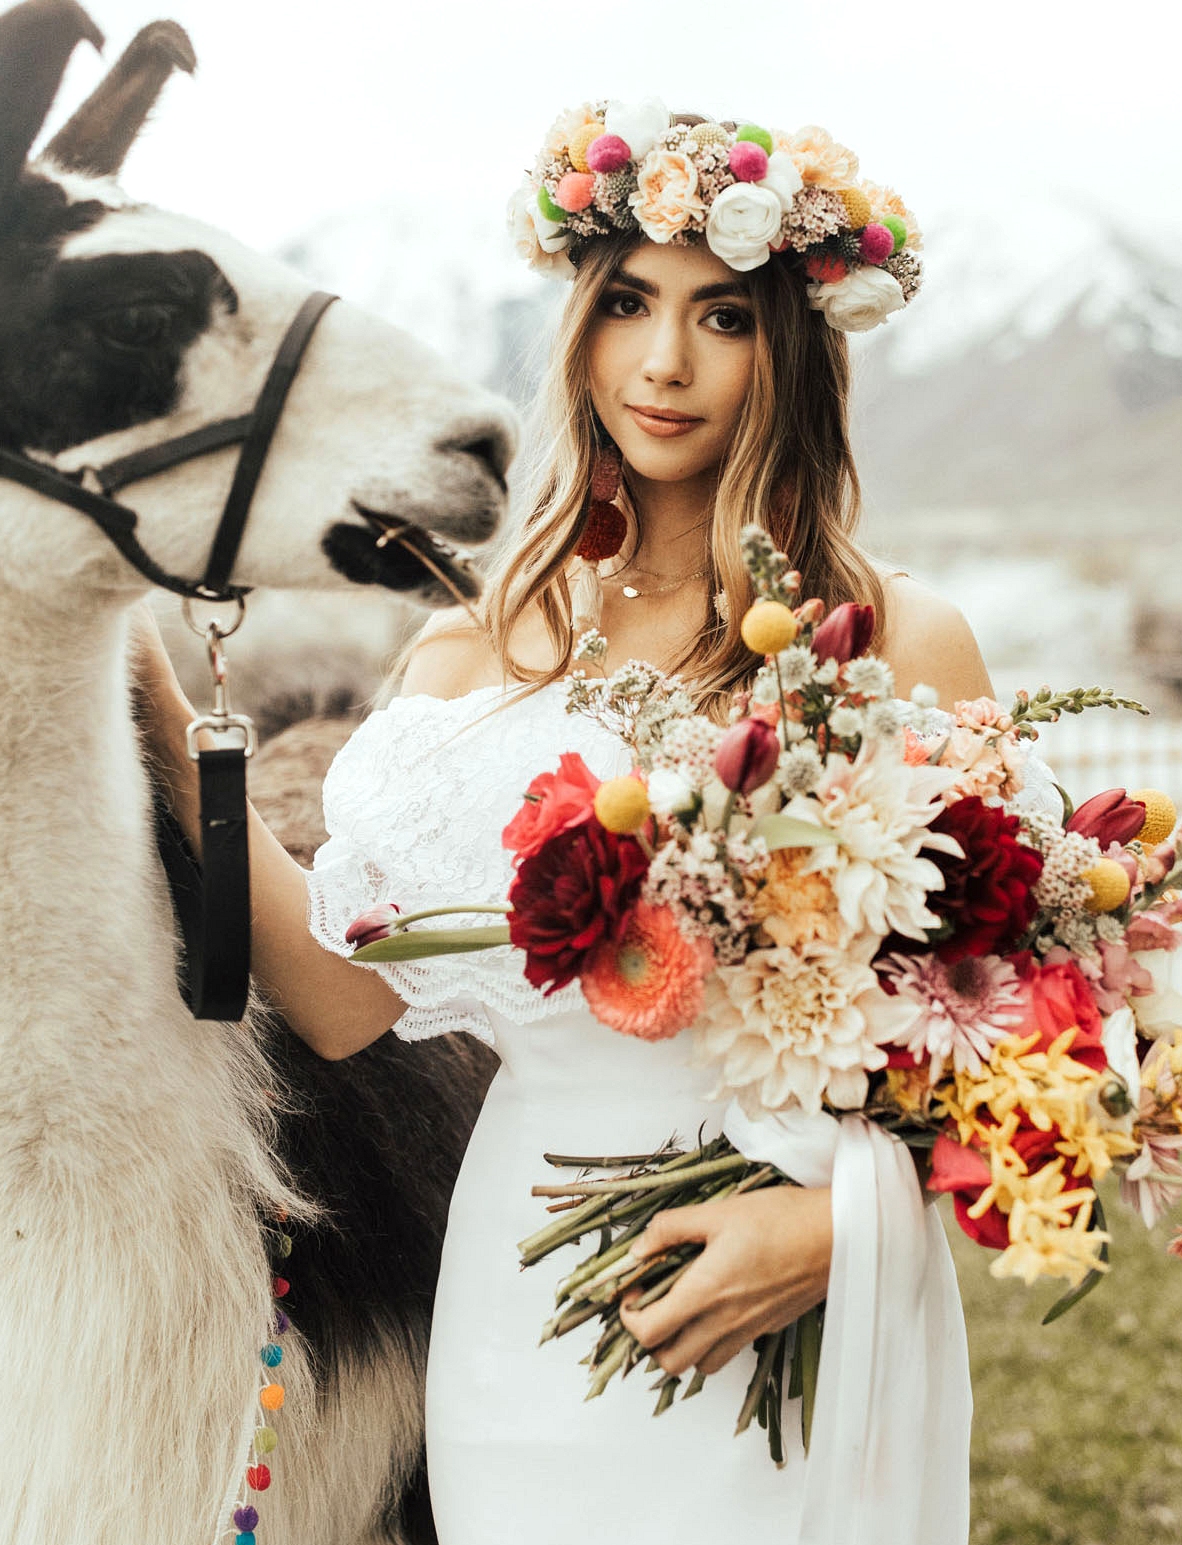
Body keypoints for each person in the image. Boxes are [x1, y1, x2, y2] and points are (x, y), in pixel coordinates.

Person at [139, 105, 991, 1544]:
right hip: (519, 1320)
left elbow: (1040, 1032)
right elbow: (343, 999)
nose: (662, 363)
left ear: (792, 347)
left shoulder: (891, 641)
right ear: (578, 331)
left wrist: (837, 1222)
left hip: (793, 1315)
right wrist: (139, 679)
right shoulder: (468, 657)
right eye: (626, 307)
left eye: (720, 316)